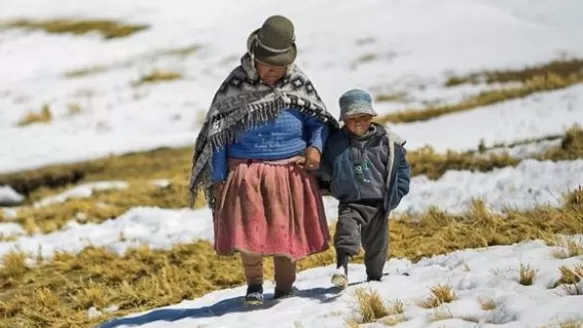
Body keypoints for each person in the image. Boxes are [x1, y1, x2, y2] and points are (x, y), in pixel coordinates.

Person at [189, 15, 340, 305]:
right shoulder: (236, 85)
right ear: (254, 59)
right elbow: (218, 133)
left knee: (287, 233)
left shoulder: (298, 83)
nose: (273, 73)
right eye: (268, 67)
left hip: (290, 172)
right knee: (249, 232)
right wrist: (219, 176)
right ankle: (254, 285)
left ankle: (285, 288)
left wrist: (316, 148)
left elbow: (319, 122)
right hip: (245, 173)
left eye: (279, 67)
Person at [319, 88, 411, 288]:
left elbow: (402, 168)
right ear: (344, 119)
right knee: (346, 231)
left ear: (371, 116)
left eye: (363, 116)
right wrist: (329, 184)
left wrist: (398, 191)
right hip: (351, 201)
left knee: (377, 246)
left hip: (379, 203)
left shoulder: (387, 141)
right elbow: (325, 168)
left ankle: (375, 278)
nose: (358, 121)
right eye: (352, 118)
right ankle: (341, 268)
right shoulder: (335, 144)